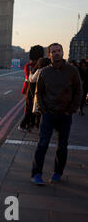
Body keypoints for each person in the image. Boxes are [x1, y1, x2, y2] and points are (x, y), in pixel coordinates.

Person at [31, 43, 82, 185]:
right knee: (42, 144)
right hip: (48, 114)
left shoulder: (72, 71)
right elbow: (39, 92)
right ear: (49, 55)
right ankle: (36, 174)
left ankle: (57, 173)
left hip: (65, 115)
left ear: (63, 52)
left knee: (62, 146)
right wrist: (43, 109)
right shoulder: (45, 72)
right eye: (53, 51)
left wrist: (70, 110)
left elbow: (78, 91)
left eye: (59, 51)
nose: (56, 53)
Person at [19, 45, 44, 131]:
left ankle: (31, 124)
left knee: (35, 108)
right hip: (29, 88)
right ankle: (25, 124)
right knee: (29, 108)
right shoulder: (29, 66)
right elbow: (30, 77)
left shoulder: (41, 66)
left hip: (39, 89)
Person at [29, 57, 51, 127]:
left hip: (41, 94)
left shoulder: (39, 71)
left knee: (40, 111)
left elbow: (32, 79)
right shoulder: (52, 70)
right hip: (50, 95)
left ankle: (39, 124)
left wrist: (30, 73)